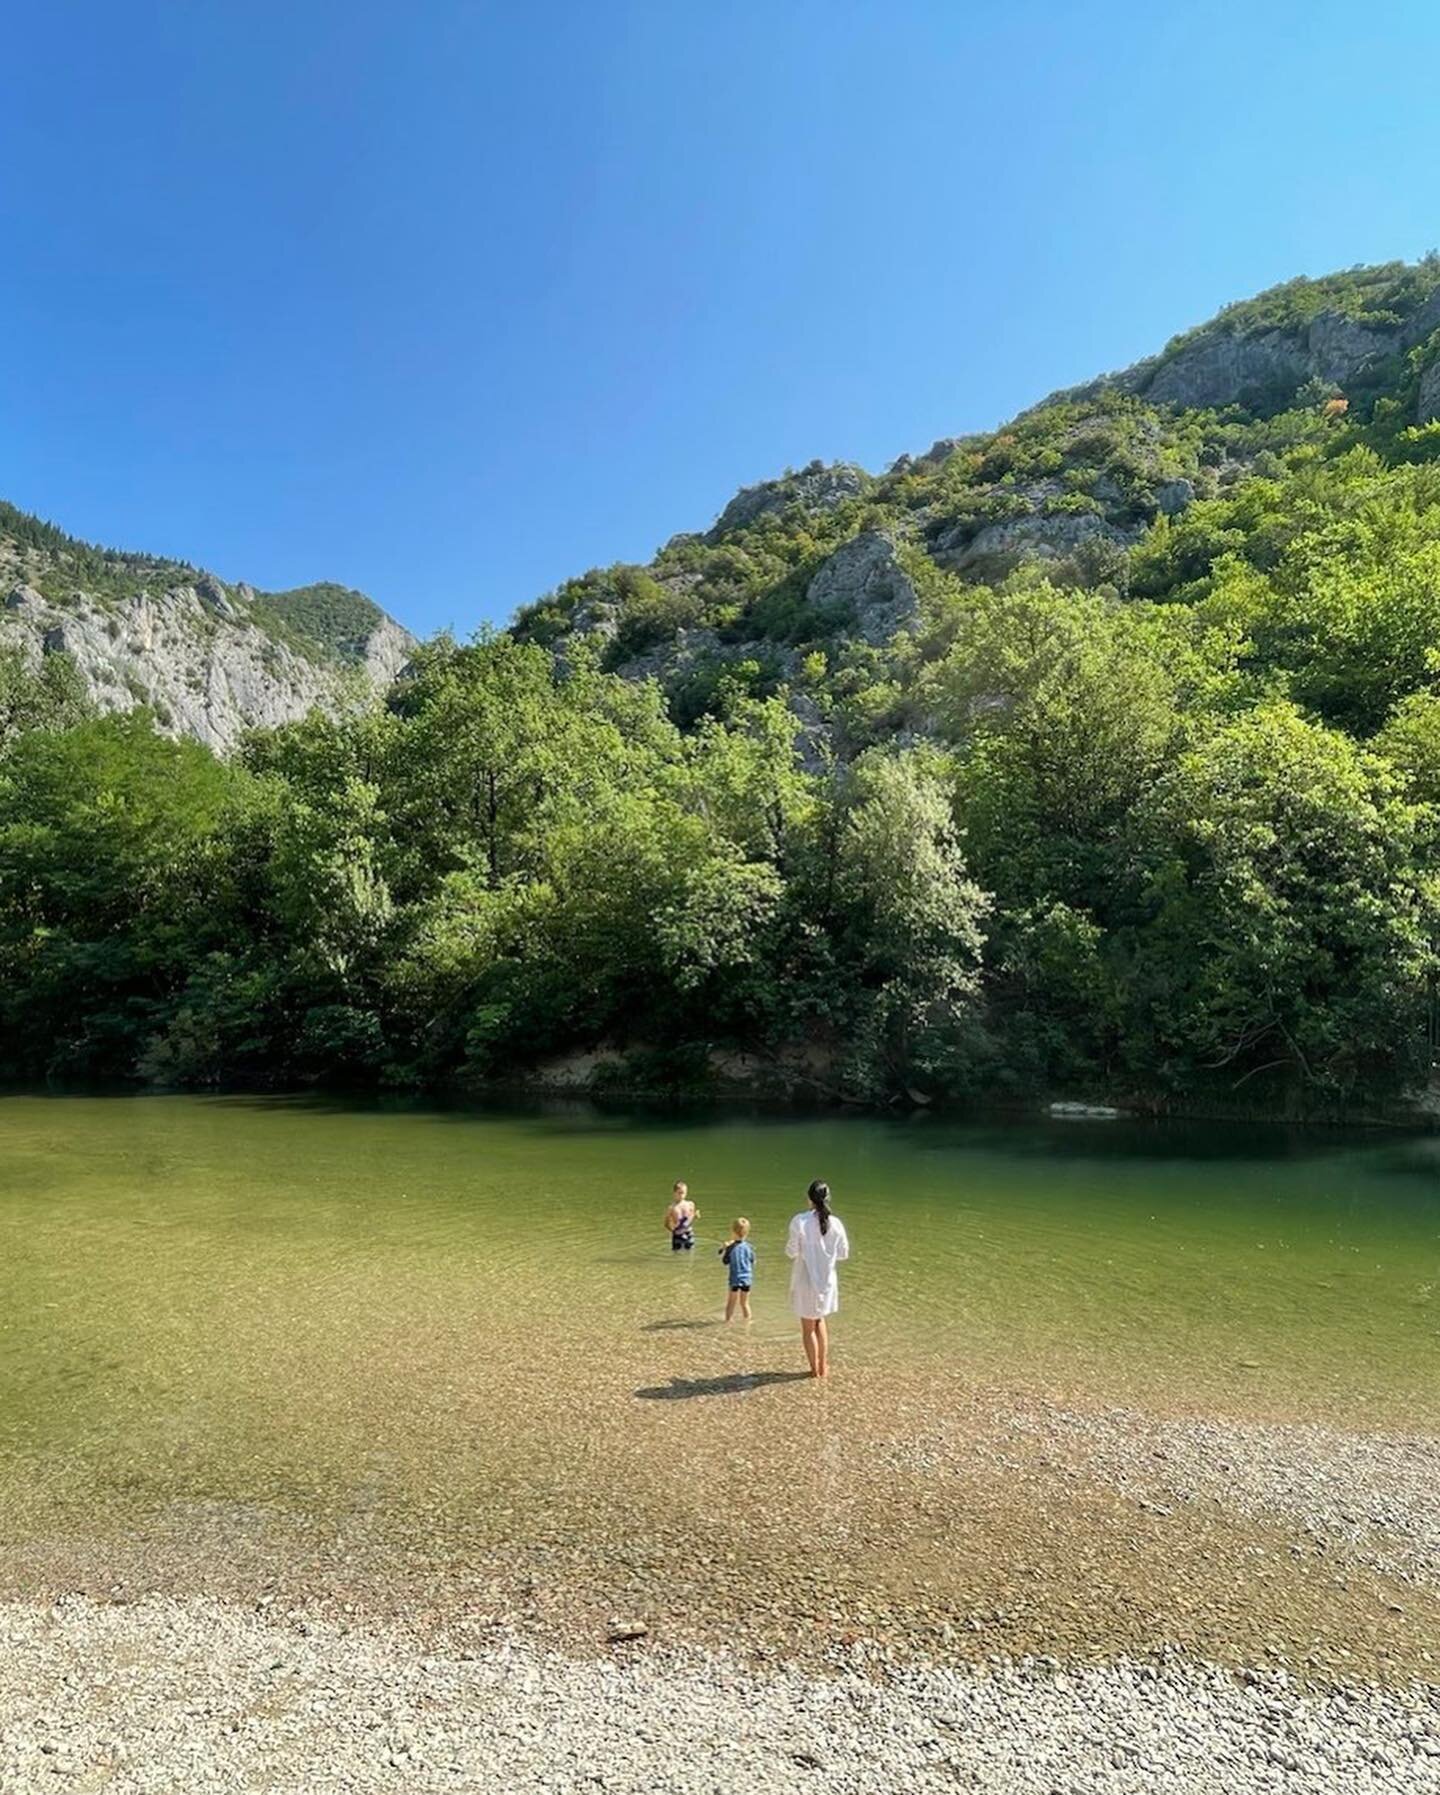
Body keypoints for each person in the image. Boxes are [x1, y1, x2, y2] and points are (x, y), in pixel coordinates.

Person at [786, 1179, 849, 1378]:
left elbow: (791, 1251)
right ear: (828, 1198)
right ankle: (823, 1366)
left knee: (807, 1327)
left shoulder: (800, 1221)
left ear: (809, 1199)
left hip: (805, 1279)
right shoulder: (836, 1223)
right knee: (820, 1320)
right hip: (827, 1282)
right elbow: (843, 1254)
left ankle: (814, 1370)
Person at [719, 1218, 755, 1322]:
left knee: (731, 1303)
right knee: (745, 1303)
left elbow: (725, 1261)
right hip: (747, 1279)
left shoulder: (730, 1248)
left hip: (735, 1279)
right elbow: (753, 1261)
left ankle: (728, 1323)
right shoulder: (749, 1247)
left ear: (733, 1232)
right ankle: (748, 1323)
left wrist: (725, 1248)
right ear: (747, 1232)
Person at [664, 1180, 698, 1252]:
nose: (681, 1195)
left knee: (691, 1252)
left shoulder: (690, 1204)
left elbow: (691, 1218)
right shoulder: (671, 1208)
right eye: (679, 1193)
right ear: (674, 1193)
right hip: (677, 1234)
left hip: (689, 1232)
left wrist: (696, 1216)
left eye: (683, 1193)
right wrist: (673, 1231)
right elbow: (666, 1224)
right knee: (676, 1254)